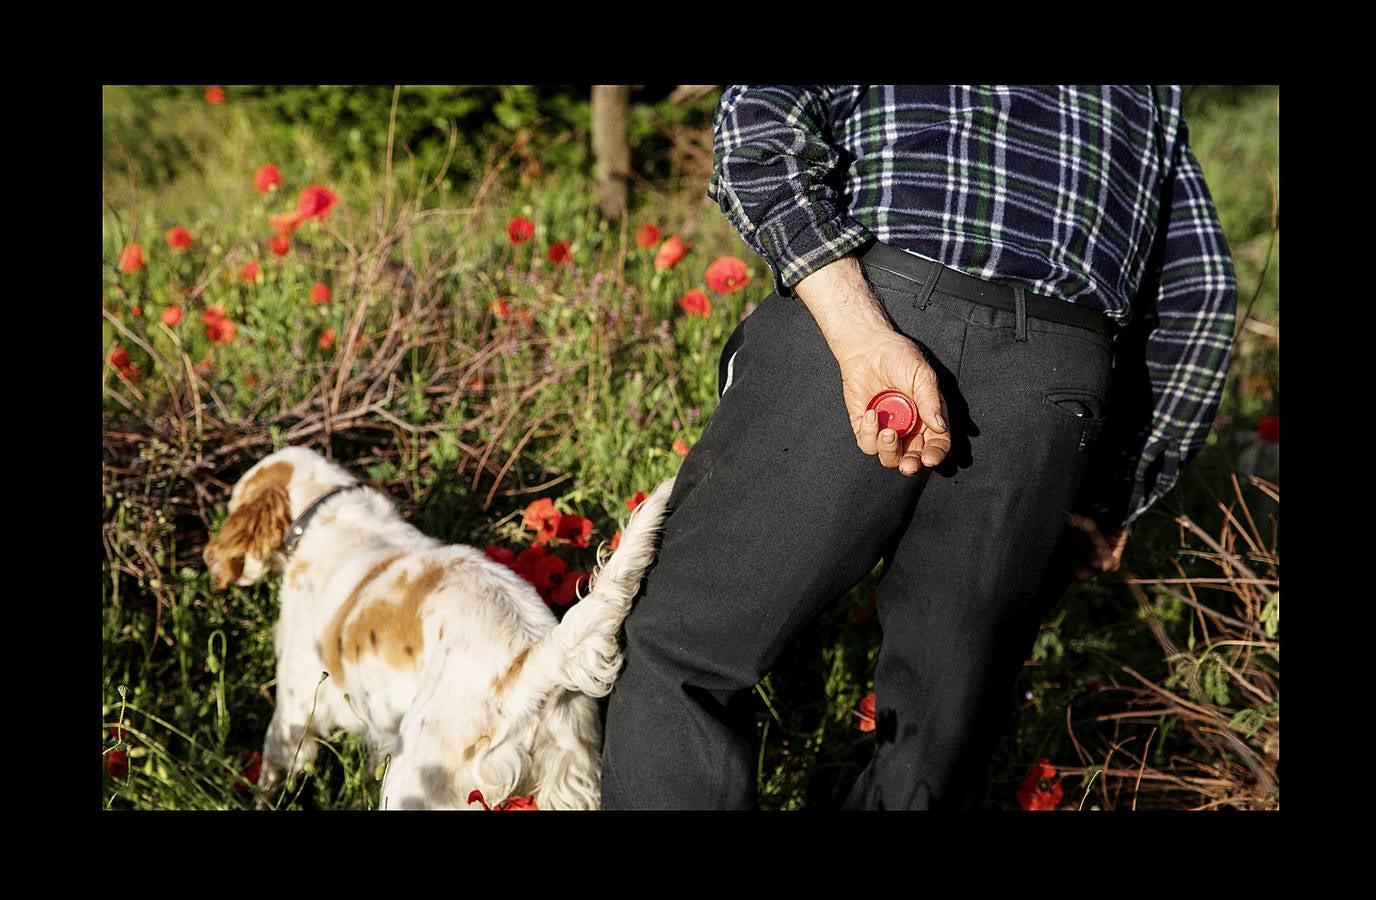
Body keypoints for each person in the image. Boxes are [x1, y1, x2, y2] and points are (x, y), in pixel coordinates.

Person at [601, 85, 1237, 810]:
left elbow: (760, 119)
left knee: (683, 655)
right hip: (1054, 382)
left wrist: (860, 333)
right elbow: (1200, 292)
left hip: (868, 308)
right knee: (932, 740)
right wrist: (1109, 495)